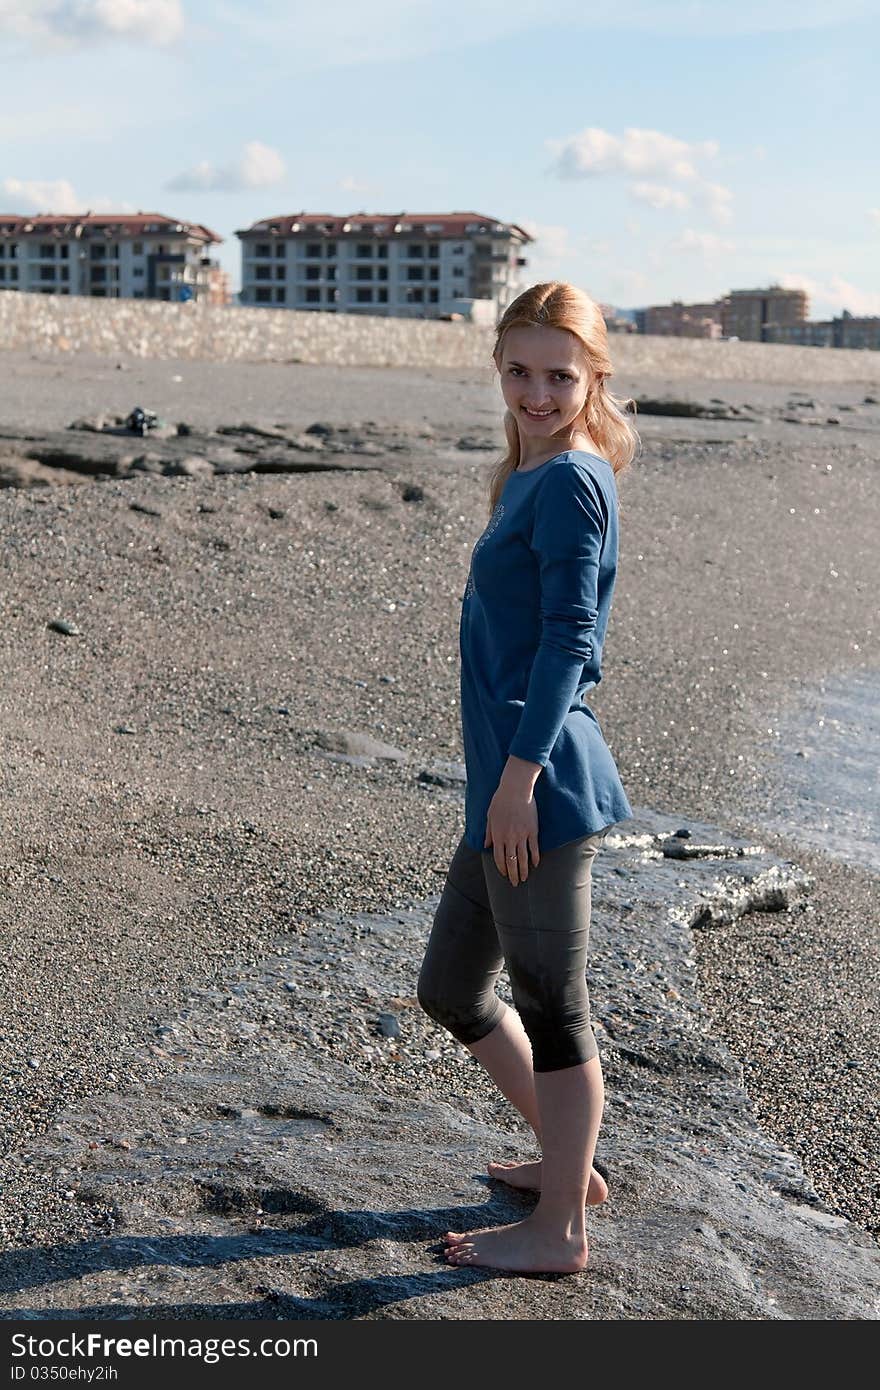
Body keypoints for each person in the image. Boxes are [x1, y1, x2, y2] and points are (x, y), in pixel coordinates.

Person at [416, 280, 639, 1274]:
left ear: (594, 377)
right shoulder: (527, 475)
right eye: (519, 371)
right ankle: (568, 1167)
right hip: (502, 787)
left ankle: (560, 1229)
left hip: (534, 790)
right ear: (497, 368)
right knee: (451, 989)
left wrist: (516, 780)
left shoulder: (569, 483)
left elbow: (571, 644)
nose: (536, 392)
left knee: (552, 1006)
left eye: (559, 374)